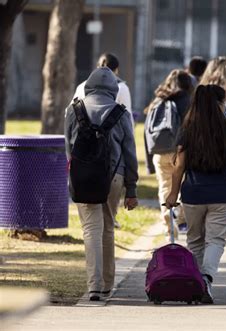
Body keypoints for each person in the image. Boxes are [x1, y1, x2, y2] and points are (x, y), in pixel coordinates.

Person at [65, 67, 139, 301]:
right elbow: (129, 152)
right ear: (113, 89)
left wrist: (75, 173)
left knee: (91, 230)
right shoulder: (121, 113)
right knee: (108, 228)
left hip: (83, 175)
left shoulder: (73, 109)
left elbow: (69, 147)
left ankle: (94, 286)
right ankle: (107, 285)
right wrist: (132, 187)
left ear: (88, 85)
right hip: (113, 177)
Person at [165, 85, 226, 304]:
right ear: (220, 105)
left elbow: (179, 166)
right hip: (222, 194)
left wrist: (172, 194)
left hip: (193, 194)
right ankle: (206, 278)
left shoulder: (187, 130)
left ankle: (196, 282)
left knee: (195, 240)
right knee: (215, 240)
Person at [144, 70, 194, 240]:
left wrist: (149, 162)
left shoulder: (158, 101)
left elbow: (147, 131)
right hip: (181, 151)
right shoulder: (188, 101)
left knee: (164, 187)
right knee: (183, 184)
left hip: (159, 152)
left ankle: (168, 224)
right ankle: (178, 212)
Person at [72, 53, 134, 128]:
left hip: (82, 135)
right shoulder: (122, 88)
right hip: (111, 137)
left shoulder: (82, 86)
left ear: (97, 67)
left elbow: (70, 113)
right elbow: (128, 119)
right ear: (116, 70)